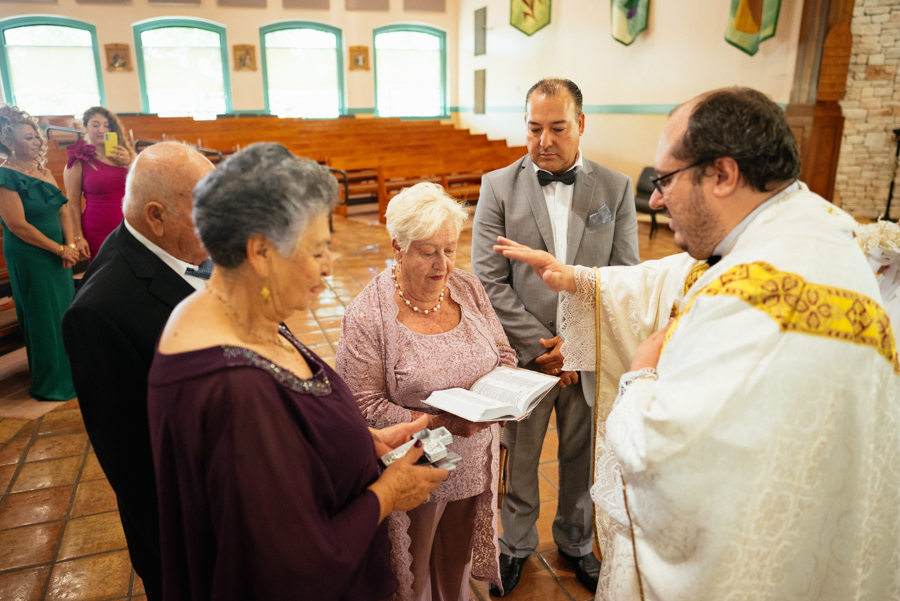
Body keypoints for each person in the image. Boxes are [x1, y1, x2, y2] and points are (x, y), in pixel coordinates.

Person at [495, 87, 900, 600]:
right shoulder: (808, 229)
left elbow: (658, 448)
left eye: (666, 179)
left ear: (723, 174)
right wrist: (578, 279)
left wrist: (641, 374)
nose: (657, 199)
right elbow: (679, 274)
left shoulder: (758, 303)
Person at [147, 143, 448, 601]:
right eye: (318, 250)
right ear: (262, 252)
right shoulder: (231, 388)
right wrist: (390, 492)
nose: (329, 267)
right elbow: (295, 562)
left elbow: (289, 431)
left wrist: (362, 439)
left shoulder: (243, 312)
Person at [471, 77, 639, 595]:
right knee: (519, 456)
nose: (544, 140)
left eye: (558, 128)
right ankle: (515, 546)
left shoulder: (615, 188)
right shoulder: (498, 186)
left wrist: (579, 345)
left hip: (590, 354)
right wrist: (544, 346)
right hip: (528, 356)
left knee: (582, 454)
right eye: (534, 128)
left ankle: (575, 542)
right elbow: (487, 279)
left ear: (581, 125)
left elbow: (624, 274)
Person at [337, 182, 516, 600]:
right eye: (428, 251)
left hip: (474, 457)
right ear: (398, 248)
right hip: (416, 462)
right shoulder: (369, 313)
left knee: (456, 571)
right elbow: (362, 404)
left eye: (450, 249)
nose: (443, 264)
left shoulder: (468, 289)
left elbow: (503, 352)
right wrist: (437, 422)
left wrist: (508, 389)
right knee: (411, 579)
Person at [62, 142, 214, 601]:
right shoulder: (100, 313)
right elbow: (134, 465)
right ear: (156, 215)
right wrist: (193, 553)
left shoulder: (182, 245)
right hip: (191, 538)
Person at [0, 104, 77, 402]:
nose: (36, 141)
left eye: (36, 137)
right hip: (31, 256)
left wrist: (69, 246)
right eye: (28, 137)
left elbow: (64, 211)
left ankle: (73, 374)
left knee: (64, 313)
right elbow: (18, 226)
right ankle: (51, 384)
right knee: (43, 317)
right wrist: (58, 248)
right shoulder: (5, 176)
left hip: (59, 255)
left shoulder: (44, 172)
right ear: (8, 142)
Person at [64, 106, 135, 261]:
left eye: (106, 125)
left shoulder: (126, 155)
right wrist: (78, 237)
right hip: (98, 228)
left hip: (131, 224)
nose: (101, 130)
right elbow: (73, 204)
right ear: (85, 127)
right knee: (105, 276)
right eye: (95, 125)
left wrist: (130, 164)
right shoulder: (78, 161)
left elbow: (142, 187)